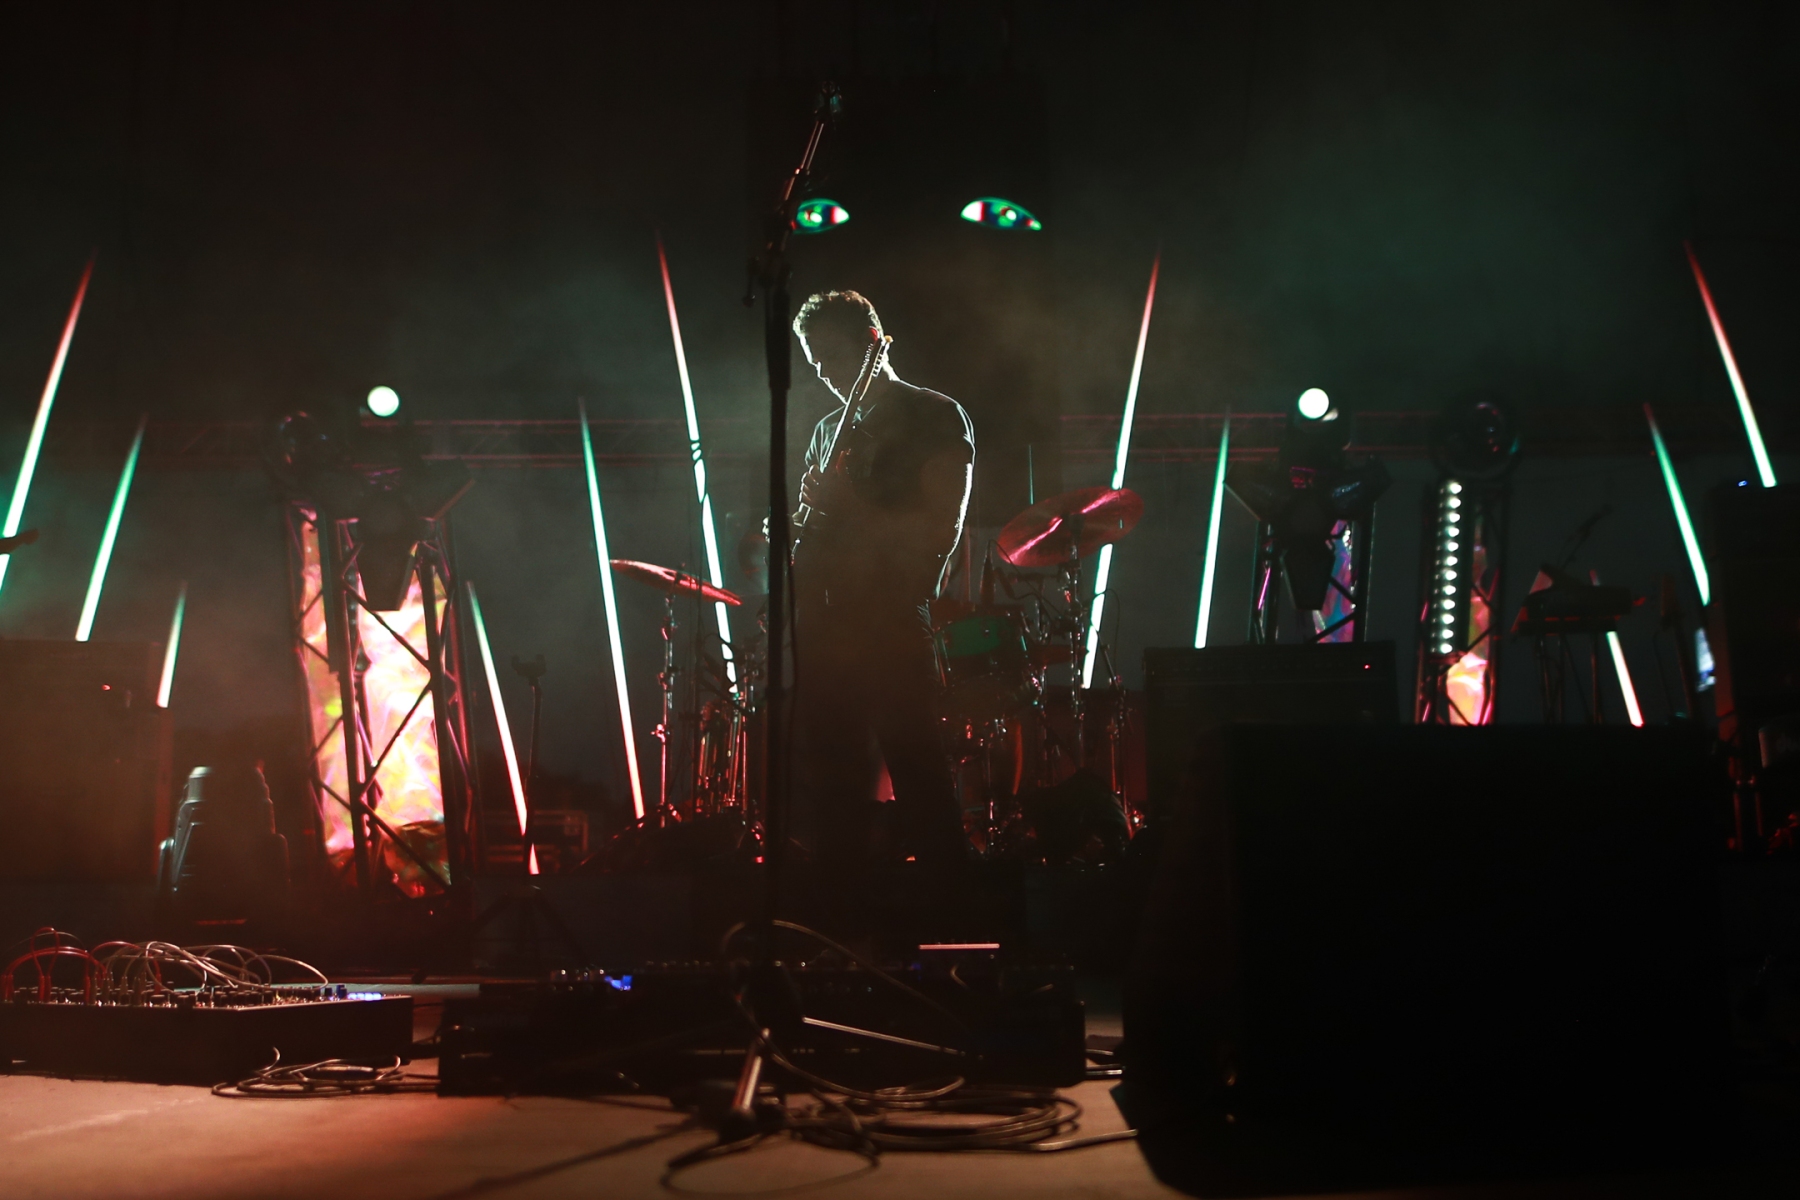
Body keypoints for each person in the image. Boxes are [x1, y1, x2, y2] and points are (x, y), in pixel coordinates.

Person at [787, 290, 973, 871]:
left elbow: (940, 531)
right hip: (827, 625)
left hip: (890, 618)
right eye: (815, 363)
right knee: (832, 780)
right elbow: (817, 534)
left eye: (833, 356)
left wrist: (849, 507)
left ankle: (949, 896)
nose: (825, 374)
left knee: (916, 763)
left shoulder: (933, 414)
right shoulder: (827, 430)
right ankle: (839, 904)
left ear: (872, 343)